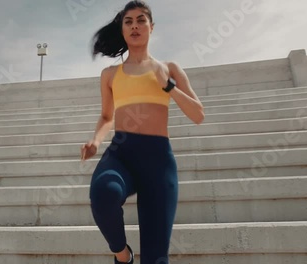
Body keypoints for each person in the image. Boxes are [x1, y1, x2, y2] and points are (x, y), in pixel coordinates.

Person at [80, 1, 204, 263]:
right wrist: (95, 140)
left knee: (156, 258)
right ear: (123, 29)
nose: (135, 25)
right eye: (129, 21)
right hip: (122, 152)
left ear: (151, 27)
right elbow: (106, 116)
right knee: (103, 193)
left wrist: (168, 86)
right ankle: (123, 256)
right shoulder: (110, 74)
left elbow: (198, 115)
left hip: (158, 161)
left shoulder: (170, 69)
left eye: (141, 20)